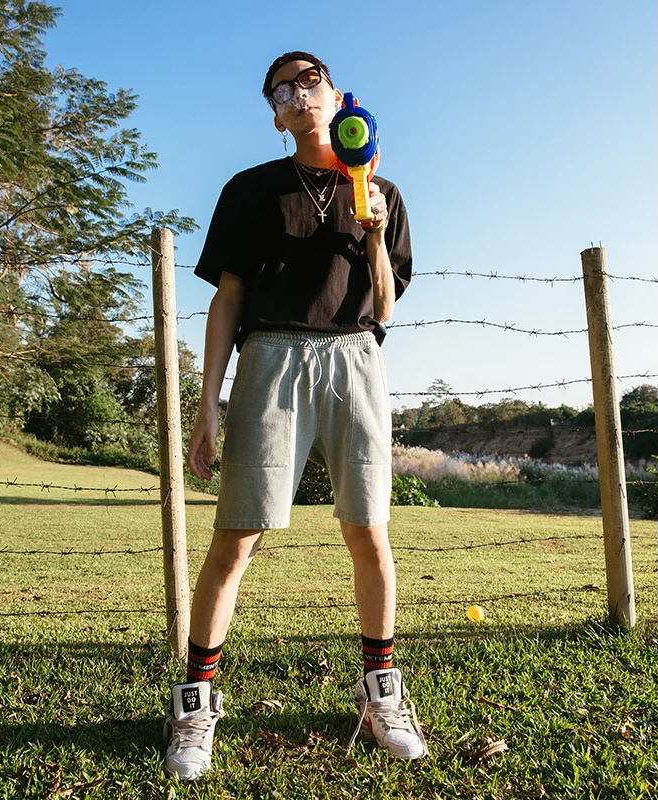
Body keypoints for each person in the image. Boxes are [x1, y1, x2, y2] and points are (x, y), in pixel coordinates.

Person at [162, 51, 428, 782]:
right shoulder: (249, 190)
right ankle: (196, 702)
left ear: (339, 97)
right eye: (281, 90)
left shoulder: (383, 192)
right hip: (271, 358)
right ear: (276, 117)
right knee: (237, 536)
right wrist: (208, 403)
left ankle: (379, 695)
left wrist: (373, 232)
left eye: (310, 80)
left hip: (355, 358)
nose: (297, 93)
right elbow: (227, 299)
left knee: (368, 530)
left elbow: (384, 308)